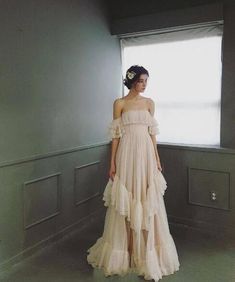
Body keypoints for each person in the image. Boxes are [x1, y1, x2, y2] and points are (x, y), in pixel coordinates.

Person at [87, 65, 180, 281]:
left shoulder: (149, 103)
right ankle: (125, 251)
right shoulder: (120, 104)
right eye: (141, 81)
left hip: (146, 156)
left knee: (147, 197)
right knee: (126, 199)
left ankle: (147, 255)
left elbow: (152, 134)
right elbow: (116, 136)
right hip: (127, 156)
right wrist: (112, 164)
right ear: (131, 81)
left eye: (147, 80)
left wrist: (156, 159)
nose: (144, 84)